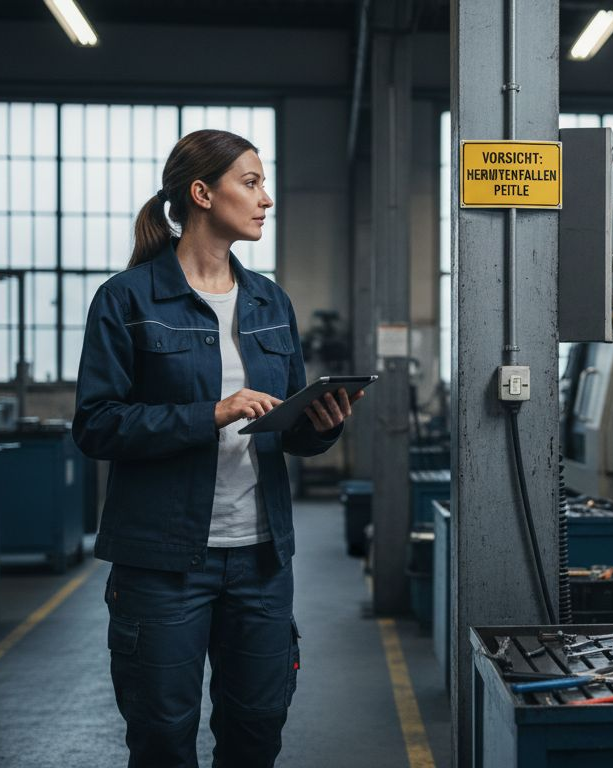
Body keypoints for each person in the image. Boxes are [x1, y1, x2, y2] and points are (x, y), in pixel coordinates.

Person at [73, 129, 361, 768]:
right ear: (202, 194)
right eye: (251, 183)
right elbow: (96, 425)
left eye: (263, 184)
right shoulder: (127, 299)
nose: (267, 199)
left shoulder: (269, 302)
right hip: (162, 565)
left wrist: (322, 422)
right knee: (163, 738)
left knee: (257, 732)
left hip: (261, 561)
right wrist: (210, 413)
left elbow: (287, 427)